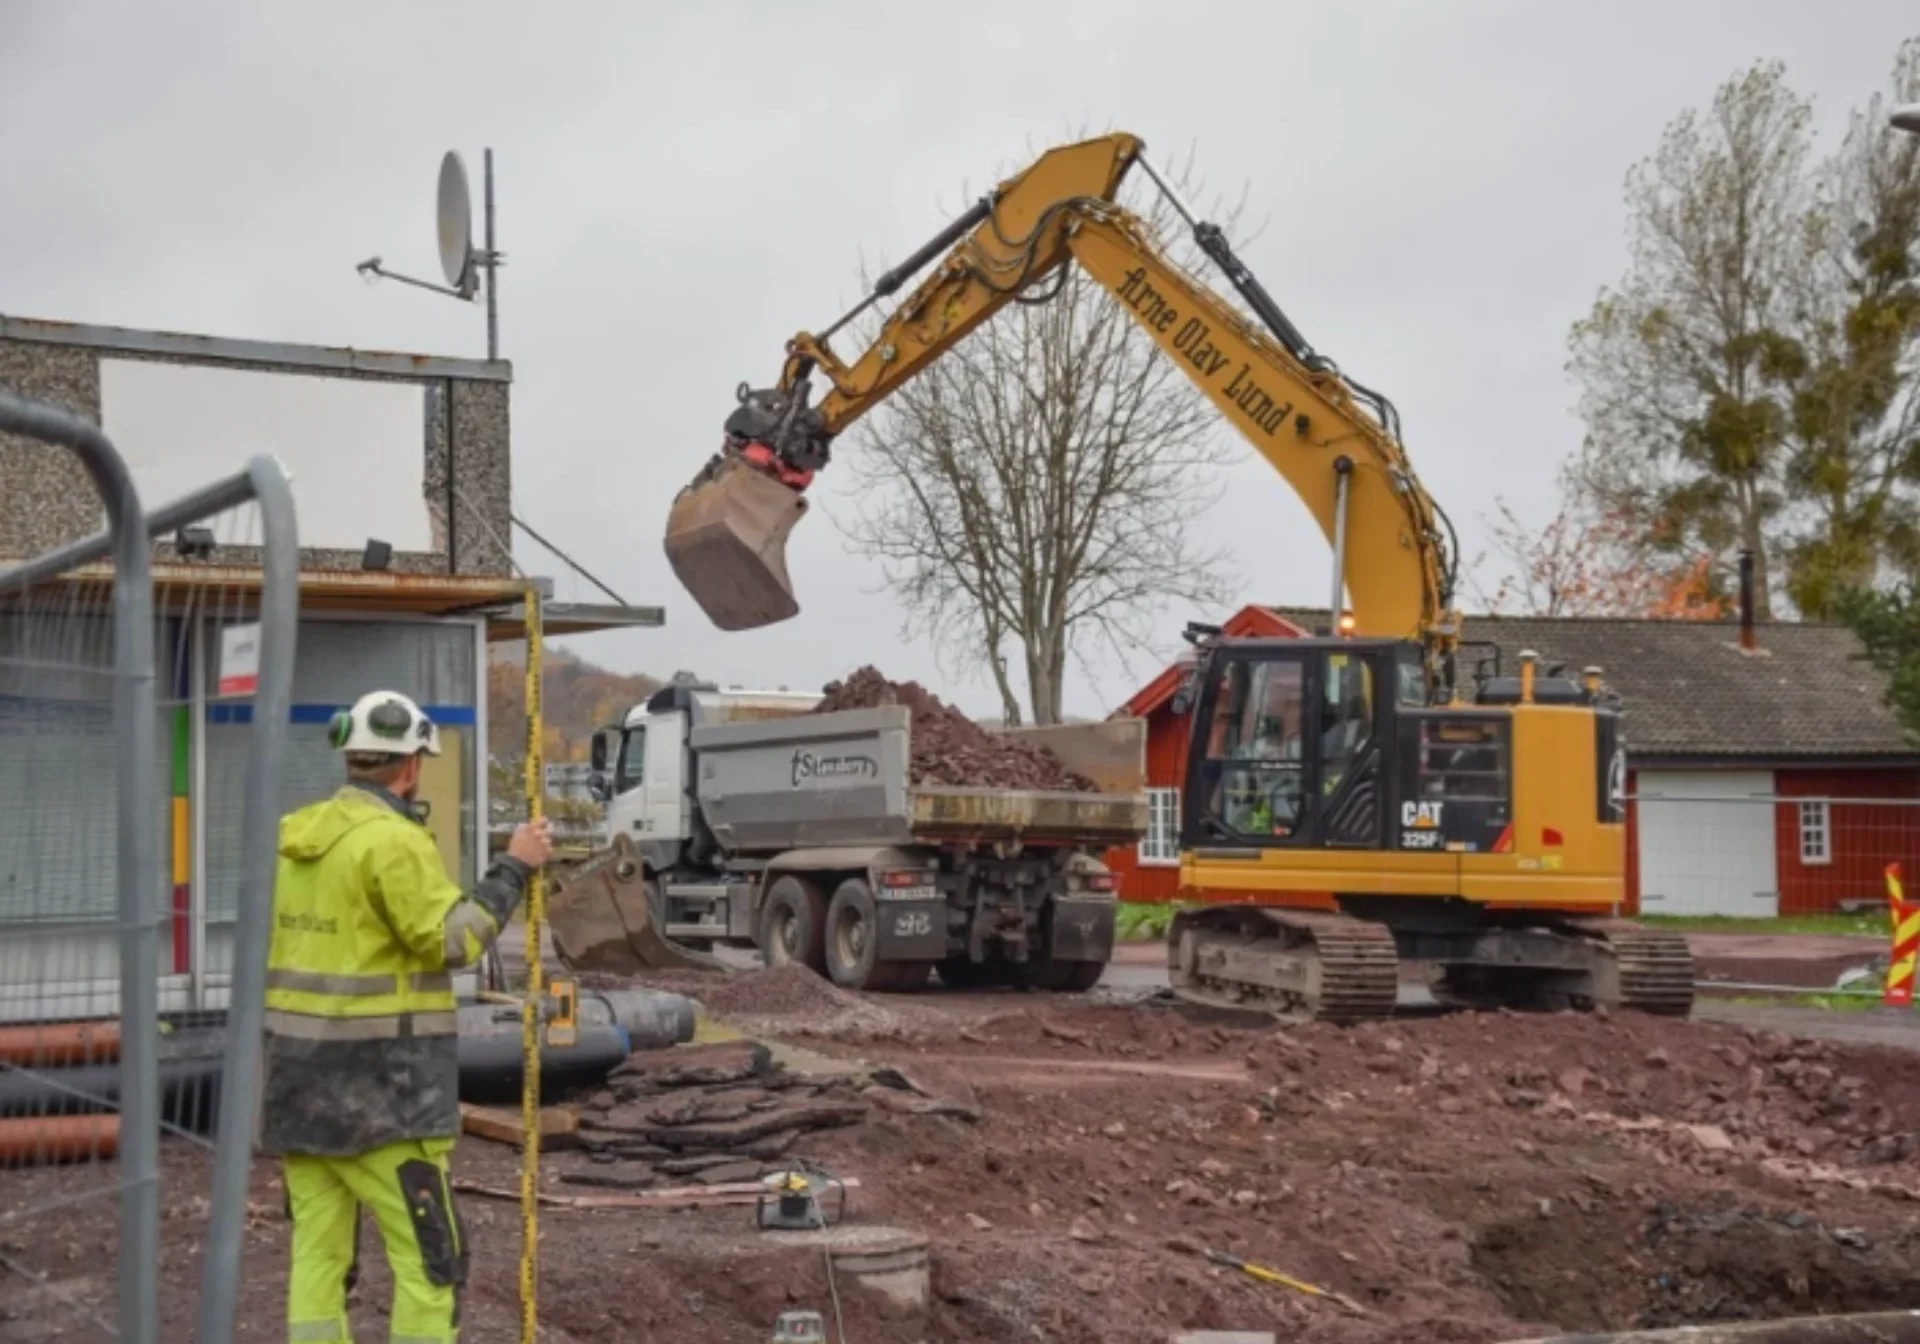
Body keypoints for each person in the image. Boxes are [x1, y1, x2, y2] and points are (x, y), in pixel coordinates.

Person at [262, 689, 553, 1344]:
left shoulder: (295, 840)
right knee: (431, 1266)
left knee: (319, 1262)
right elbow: (453, 940)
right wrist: (514, 866)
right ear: (411, 766)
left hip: (296, 1092)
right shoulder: (392, 843)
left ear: (350, 758)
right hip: (383, 1099)